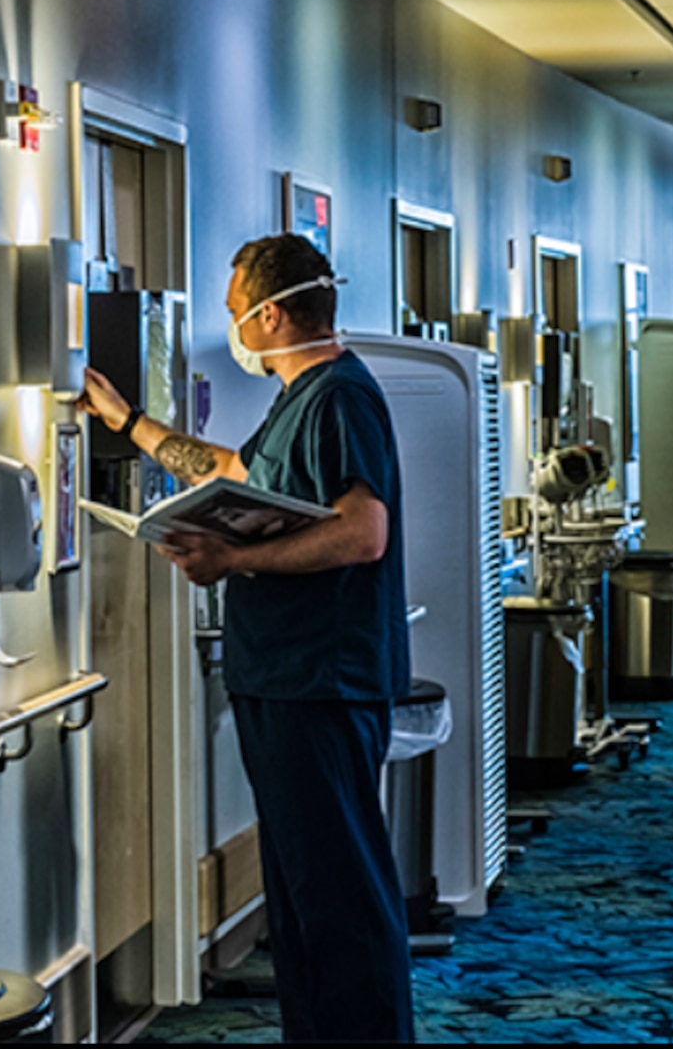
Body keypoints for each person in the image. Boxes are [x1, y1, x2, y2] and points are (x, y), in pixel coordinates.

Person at [76, 234, 414, 1043]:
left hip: (320, 680)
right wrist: (133, 425)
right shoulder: (300, 399)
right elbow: (237, 470)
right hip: (285, 679)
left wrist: (235, 556)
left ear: (269, 314)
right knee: (301, 898)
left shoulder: (338, 397)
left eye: (234, 313)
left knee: (339, 896)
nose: (231, 327)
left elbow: (362, 533)